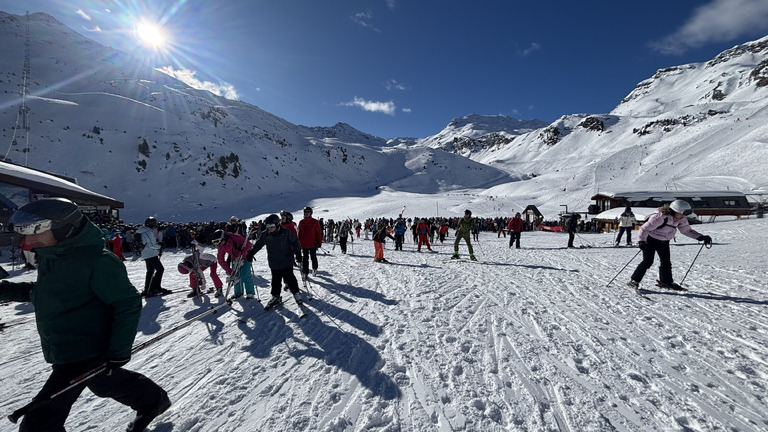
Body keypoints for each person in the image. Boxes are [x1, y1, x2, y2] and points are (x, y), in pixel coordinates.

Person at [0, 198, 170, 432]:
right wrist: (4, 290)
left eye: (34, 230)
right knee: (103, 382)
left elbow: (127, 303)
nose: (27, 240)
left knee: (40, 422)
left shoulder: (97, 261)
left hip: (85, 349)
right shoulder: (51, 255)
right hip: (64, 345)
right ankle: (153, 401)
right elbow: (47, 292)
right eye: (24, 232)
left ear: (63, 227)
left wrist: (119, 352)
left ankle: (153, 401)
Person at [628, 200, 712, 290]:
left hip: (664, 241)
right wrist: (641, 241)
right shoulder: (660, 217)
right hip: (650, 240)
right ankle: (634, 280)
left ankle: (666, 282)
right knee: (648, 261)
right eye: (681, 214)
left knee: (666, 262)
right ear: (673, 211)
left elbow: (687, 231)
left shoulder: (681, 219)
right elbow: (644, 228)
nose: (683, 217)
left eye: (684, 215)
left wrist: (701, 237)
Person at [247, 214, 303, 309]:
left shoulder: (286, 232)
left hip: (287, 260)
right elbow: (259, 244)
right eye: (268, 226)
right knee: (276, 280)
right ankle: (275, 296)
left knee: (290, 278)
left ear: (277, 225)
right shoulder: (265, 234)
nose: (269, 228)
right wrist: (252, 252)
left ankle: (296, 293)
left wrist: (298, 253)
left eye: (271, 226)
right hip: (274, 262)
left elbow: (294, 242)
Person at [212, 228, 255, 299]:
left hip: (245, 257)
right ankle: (238, 293)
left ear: (223, 238)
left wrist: (242, 252)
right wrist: (229, 270)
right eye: (215, 242)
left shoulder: (235, 238)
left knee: (245, 274)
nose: (218, 244)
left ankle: (250, 293)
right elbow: (220, 259)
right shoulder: (221, 246)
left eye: (218, 241)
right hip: (234, 259)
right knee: (235, 276)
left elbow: (249, 245)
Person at [136, 216, 171, 296]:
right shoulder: (147, 232)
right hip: (150, 254)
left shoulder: (144, 231)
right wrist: (159, 245)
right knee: (160, 269)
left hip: (147, 253)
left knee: (150, 271)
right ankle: (155, 288)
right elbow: (151, 244)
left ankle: (148, 289)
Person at [297, 206, 322, 278]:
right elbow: (300, 233)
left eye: (308, 212)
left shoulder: (315, 222)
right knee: (305, 258)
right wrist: (298, 241)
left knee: (313, 257)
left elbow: (318, 233)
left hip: (313, 243)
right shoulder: (301, 222)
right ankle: (305, 272)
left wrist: (319, 242)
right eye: (305, 212)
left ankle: (314, 268)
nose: (306, 213)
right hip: (304, 243)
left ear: (311, 213)